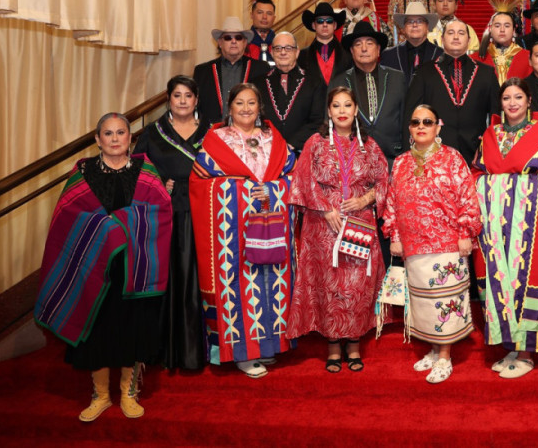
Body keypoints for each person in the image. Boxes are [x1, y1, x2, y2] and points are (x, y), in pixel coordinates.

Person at [35, 113, 172, 421]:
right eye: (107, 133)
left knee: (132, 327)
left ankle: (128, 392)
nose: (114, 138)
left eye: (120, 132)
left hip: (135, 265)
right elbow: (68, 215)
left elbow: (160, 212)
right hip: (93, 263)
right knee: (95, 328)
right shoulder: (83, 172)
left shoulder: (145, 170)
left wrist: (119, 223)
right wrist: (105, 230)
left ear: (130, 138)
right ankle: (100, 395)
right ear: (97, 139)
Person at [189, 83, 297, 378]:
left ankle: (269, 346)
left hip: (271, 222)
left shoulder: (273, 138)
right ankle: (241, 353)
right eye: (240, 103)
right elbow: (200, 183)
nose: (246, 108)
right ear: (230, 108)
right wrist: (244, 191)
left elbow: (292, 175)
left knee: (271, 280)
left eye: (252, 103)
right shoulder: (216, 140)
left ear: (260, 108)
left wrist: (274, 189)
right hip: (232, 231)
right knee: (240, 284)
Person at [287, 87, 389, 373]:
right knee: (329, 284)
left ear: (356, 110)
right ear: (329, 111)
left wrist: (364, 199)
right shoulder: (315, 143)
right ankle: (333, 345)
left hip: (360, 222)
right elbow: (303, 180)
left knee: (357, 285)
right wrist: (325, 208)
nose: (342, 110)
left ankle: (354, 343)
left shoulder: (370, 145)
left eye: (347, 105)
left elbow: (383, 181)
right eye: (336, 105)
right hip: (323, 226)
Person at [473, 79, 538, 378]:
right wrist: (497, 184)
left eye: (518, 97)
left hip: (531, 224)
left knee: (526, 279)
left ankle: (527, 350)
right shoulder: (492, 134)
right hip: (496, 226)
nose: (512, 103)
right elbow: (477, 173)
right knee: (501, 279)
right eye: (506, 98)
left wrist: (507, 184)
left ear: (529, 101)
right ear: (500, 104)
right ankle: (510, 345)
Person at [383, 105, 482, 383]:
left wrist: (466, 232)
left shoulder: (452, 158)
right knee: (423, 304)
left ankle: (444, 357)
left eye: (427, 121)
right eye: (415, 122)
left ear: (439, 126)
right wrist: (395, 236)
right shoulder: (401, 162)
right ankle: (432, 348)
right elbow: (393, 201)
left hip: (447, 243)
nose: (421, 126)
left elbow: (467, 196)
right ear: (409, 128)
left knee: (444, 302)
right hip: (413, 247)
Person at [134, 76, 209, 371]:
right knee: (166, 279)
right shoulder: (153, 132)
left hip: (202, 212)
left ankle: (193, 352)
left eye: (188, 95)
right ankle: (162, 350)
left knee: (195, 280)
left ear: (196, 100)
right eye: (176, 95)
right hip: (163, 215)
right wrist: (156, 185)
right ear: (168, 99)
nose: (182, 101)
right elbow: (137, 171)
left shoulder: (212, 132)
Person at [405, 19, 500, 164]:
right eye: (451, 33)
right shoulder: (425, 72)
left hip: (477, 156)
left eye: (461, 33)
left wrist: (491, 150)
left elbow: (496, 116)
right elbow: (411, 114)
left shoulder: (486, 73)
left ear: (468, 40)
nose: (456, 37)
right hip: (433, 156)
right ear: (442, 39)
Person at [330, 21, 407, 168]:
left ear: (378, 50)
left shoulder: (397, 78)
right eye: (358, 44)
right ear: (352, 52)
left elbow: (405, 119)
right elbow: (330, 124)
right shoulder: (339, 82)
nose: (364, 48)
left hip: (393, 160)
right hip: (352, 164)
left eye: (369, 43)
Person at [253, 31, 326, 150]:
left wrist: (291, 144)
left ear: (297, 52)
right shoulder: (257, 84)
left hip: (303, 152)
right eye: (278, 48)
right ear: (271, 53)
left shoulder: (314, 82)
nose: (283, 52)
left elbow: (318, 120)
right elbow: (254, 118)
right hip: (267, 150)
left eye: (288, 48)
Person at [193, 17, 270, 126]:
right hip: (212, 135)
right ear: (220, 42)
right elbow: (195, 107)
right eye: (228, 38)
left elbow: (265, 106)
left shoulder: (261, 69)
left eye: (238, 37)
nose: (233, 41)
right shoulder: (202, 72)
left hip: (249, 134)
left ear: (245, 42)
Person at [381, 1, 444, 83]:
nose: (414, 25)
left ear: (427, 27)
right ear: (403, 28)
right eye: (410, 21)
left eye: (420, 21)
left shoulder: (441, 55)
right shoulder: (389, 55)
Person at [473, 9, 532, 85]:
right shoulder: (476, 59)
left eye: (507, 26)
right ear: (490, 29)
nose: (502, 30)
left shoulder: (528, 57)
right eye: (497, 26)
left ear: (514, 30)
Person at [298, 2, 352, 86]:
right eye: (320, 21)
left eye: (329, 21)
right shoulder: (301, 56)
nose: (325, 24)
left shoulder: (348, 56)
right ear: (313, 25)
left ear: (334, 25)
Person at [244, 0, 281, 65]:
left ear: (274, 18)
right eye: (260, 12)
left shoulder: (281, 45)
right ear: (251, 15)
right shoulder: (243, 44)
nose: (264, 17)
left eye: (269, 13)